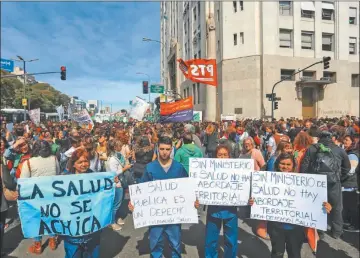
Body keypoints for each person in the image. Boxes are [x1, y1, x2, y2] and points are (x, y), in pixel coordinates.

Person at [249, 153, 332, 258]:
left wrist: (325, 207)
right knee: (276, 253)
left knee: (294, 254)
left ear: (293, 166)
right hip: (276, 227)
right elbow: (259, 199)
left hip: (295, 228)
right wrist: (254, 202)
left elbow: (314, 199)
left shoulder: (303, 182)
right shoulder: (268, 180)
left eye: (288, 164)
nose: (285, 167)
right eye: (282, 164)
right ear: (277, 164)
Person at [128, 136, 199, 258]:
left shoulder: (178, 168)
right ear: (157, 149)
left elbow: (187, 189)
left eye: (167, 149)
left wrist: (194, 201)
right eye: (162, 149)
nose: (164, 152)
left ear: (172, 149)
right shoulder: (150, 168)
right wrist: (134, 203)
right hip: (156, 215)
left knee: (175, 243)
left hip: (174, 214)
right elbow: (141, 190)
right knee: (155, 243)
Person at [300, 130, 351, 238]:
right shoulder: (339, 150)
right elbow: (347, 168)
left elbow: (304, 166)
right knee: (337, 207)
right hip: (333, 182)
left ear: (319, 138)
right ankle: (336, 231)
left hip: (315, 182)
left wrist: (307, 180)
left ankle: (318, 230)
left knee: (318, 205)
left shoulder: (312, 148)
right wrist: (339, 178)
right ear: (332, 138)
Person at [204, 144, 238, 258]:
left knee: (231, 241)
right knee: (211, 240)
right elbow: (201, 187)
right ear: (215, 157)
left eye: (225, 155)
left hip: (231, 210)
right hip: (214, 209)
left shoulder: (237, 170)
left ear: (229, 157)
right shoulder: (208, 170)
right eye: (220, 155)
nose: (222, 157)